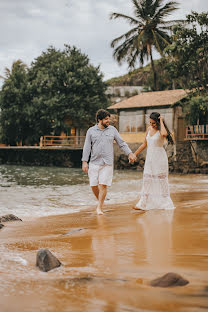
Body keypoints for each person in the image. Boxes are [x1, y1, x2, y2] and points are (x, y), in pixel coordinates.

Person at [82, 109, 136, 215]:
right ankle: (101, 201)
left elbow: (121, 143)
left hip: (107, 162)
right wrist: (84, 161)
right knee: (93, 185)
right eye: (106, 119)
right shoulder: (91, 131)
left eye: (108, 119)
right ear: (99, 120)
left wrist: (129, 153)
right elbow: (87, 147)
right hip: (94, 162)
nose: (108, 121)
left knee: (103, 185)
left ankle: (99, 207)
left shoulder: (113, 130)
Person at [132, 112, 175, 211]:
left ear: (158, 123)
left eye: (154, 123)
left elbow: (164, 134)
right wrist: (135, 154)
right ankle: (142, 203)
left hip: (160, 158)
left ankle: (166, 202)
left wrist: (161, 121)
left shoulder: (161, 130)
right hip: (150, 158)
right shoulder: (148, 129)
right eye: (150, 123)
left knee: (161, 180)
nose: (151, 125)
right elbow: (144, 144)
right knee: (147, 179)